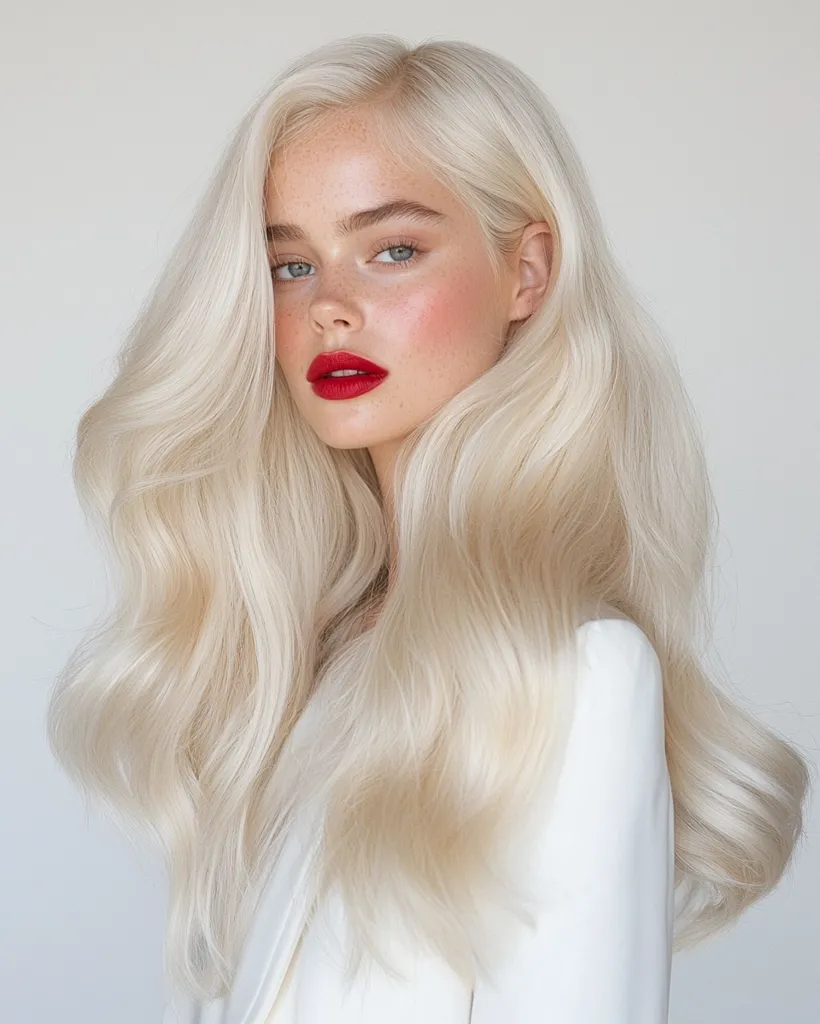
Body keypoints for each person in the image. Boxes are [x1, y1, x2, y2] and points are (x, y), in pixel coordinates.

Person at [46, 34, 810, 1024]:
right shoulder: (313, 664)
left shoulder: (573, 677)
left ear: (527, 272)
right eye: (288, 264)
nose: (329, 307)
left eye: (392, 248)